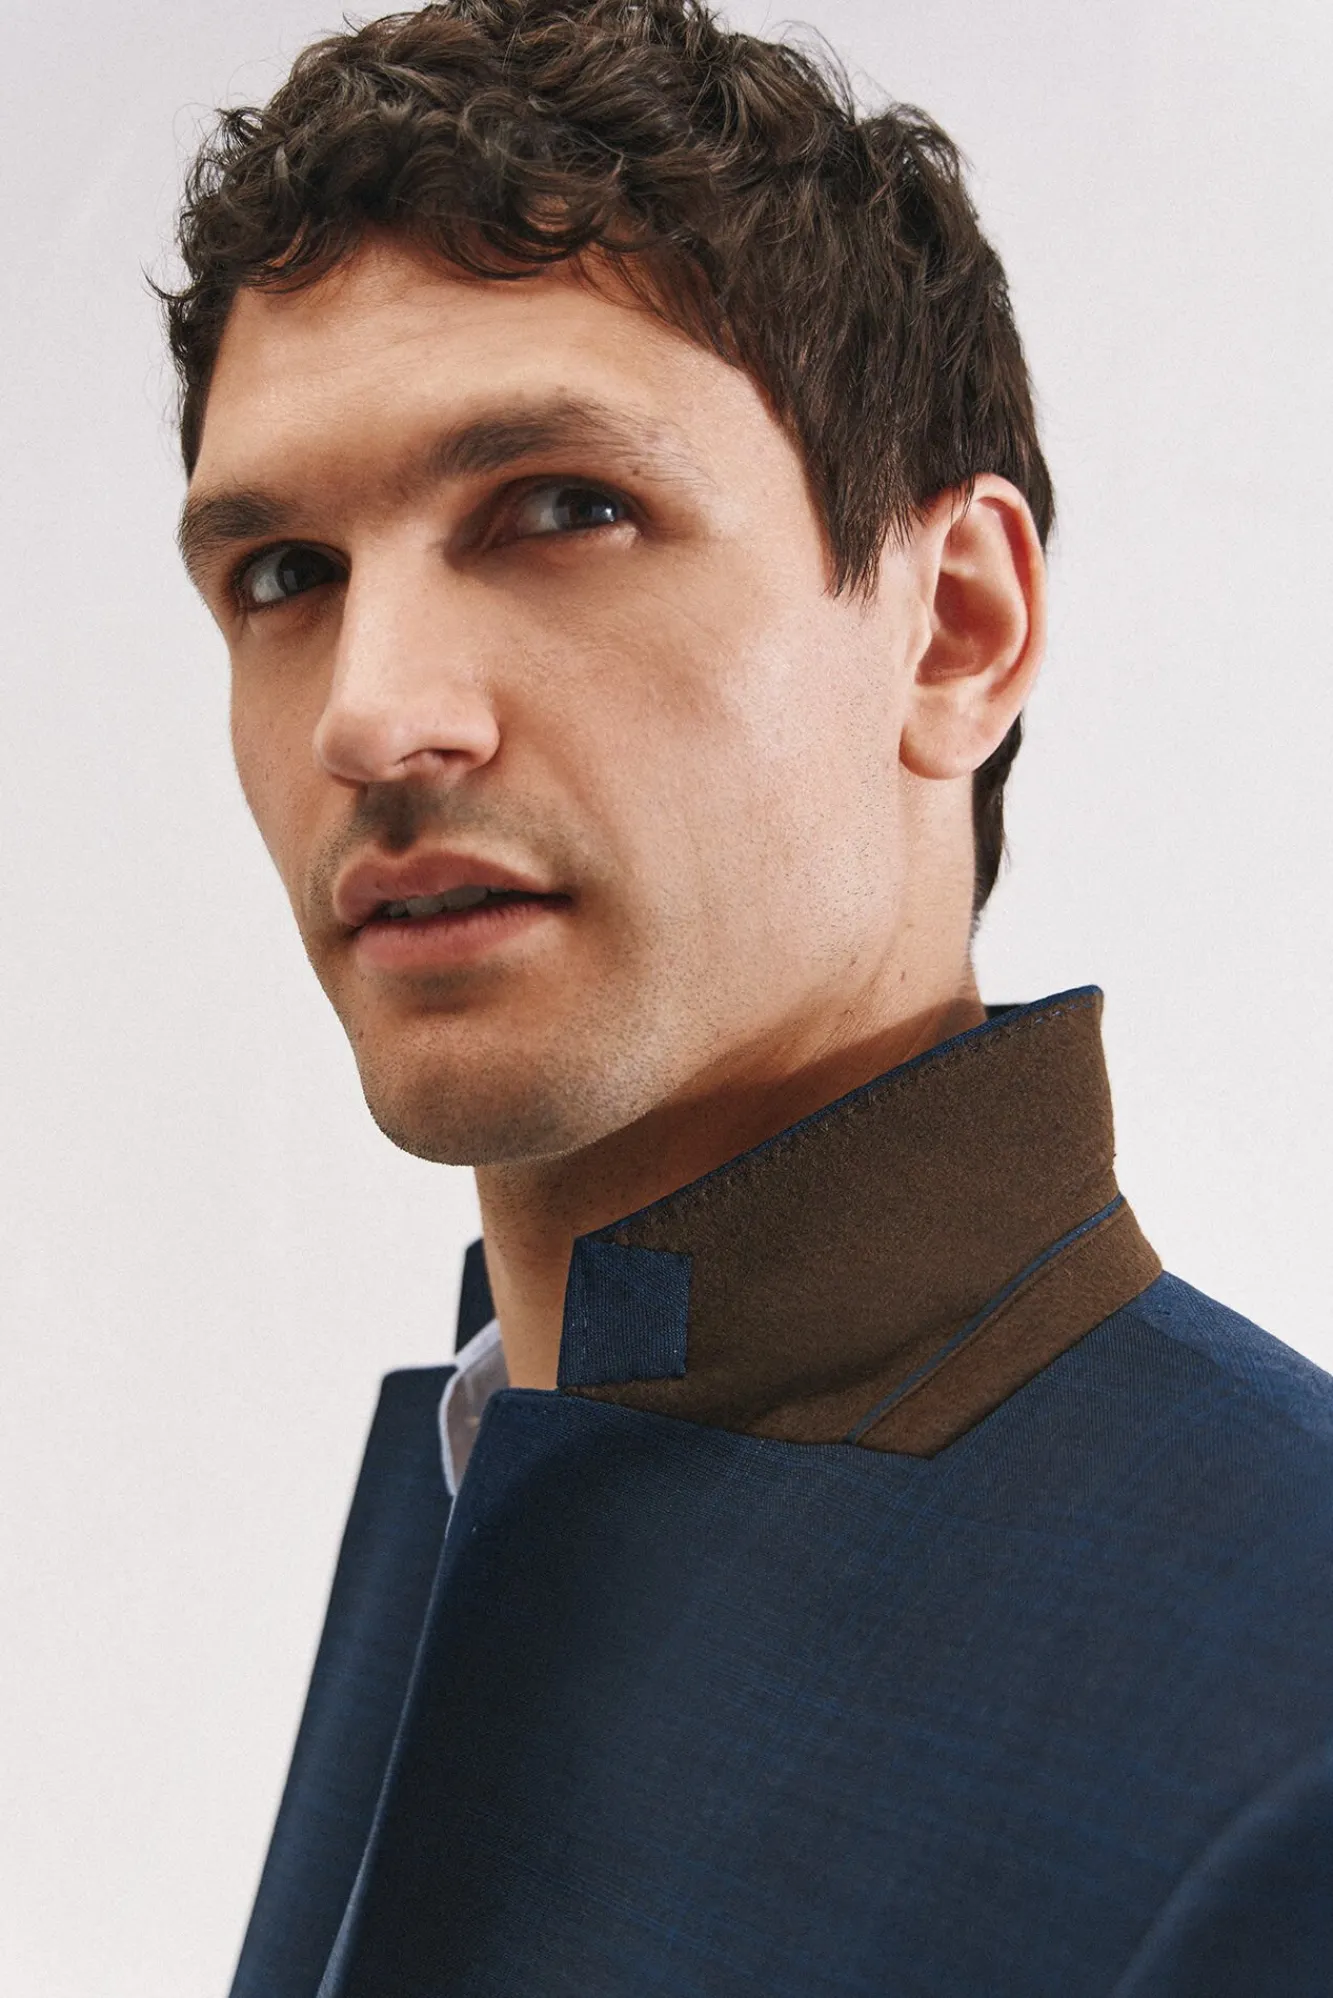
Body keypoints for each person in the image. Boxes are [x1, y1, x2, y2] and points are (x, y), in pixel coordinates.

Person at [162, 2, 1333, 1991]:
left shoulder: (1289, 1734)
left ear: (955, 628)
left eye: (564, 507)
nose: (370, 712)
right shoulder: (486, 1462)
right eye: (283, 570)